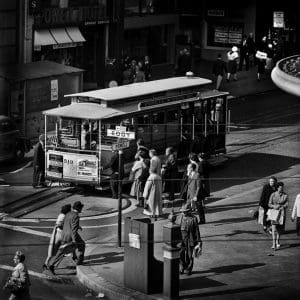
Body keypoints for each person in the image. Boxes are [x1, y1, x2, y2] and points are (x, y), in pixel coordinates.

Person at [48, 201, 85, 275]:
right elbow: (73, 229)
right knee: (82, 244)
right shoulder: (76, 216)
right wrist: (74, 240)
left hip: (64, 234)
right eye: (81, 207)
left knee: (62, 251)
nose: (82, 209)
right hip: (71, 235)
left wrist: (78, 226)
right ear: (78, 208)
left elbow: (67, 223)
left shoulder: (68, 213)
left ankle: (51, 265)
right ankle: (79, 261)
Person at [43, 204, 72, 270]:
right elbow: (58, 224)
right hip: (59, 235)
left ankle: (48, 264)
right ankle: (46, 264)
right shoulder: (62, 216)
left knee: (59, 250)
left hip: (61, 235)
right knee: (54, 250)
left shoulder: (64, 215)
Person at [178, 204, 202, 275]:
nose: (183, 213)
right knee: (180, 253)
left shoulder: (194, 218)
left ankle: (189, 268)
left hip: (190, 238)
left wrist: (199, 241)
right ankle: (182, 266)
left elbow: (197, 231)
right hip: (181, 238)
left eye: (185, 211)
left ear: (189, 211)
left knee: (190, 255)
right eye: (182, 211)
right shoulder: (179, 217)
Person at [268, 182, 288, 250]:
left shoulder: (285, 195)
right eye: (280, 187)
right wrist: (274, 206)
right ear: (277, 188)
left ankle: (278, 240)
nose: (281, 188)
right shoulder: (273, 194)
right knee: (273, 229)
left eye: (282, 187)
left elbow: (287, 204)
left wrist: (283, 206)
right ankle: (273, 243)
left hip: (281, 214)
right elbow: (269, 204)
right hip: (274, 213)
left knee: (280, 229)